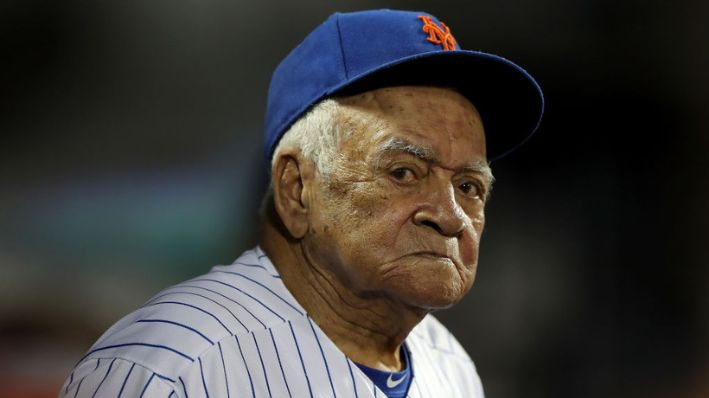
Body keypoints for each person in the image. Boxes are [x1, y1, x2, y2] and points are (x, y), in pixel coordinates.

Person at [60, 9, 543, 398]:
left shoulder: (450, 366)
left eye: (468, 187)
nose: (450, 215)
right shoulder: (174, 365)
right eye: (403, 172)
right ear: (296, 189)